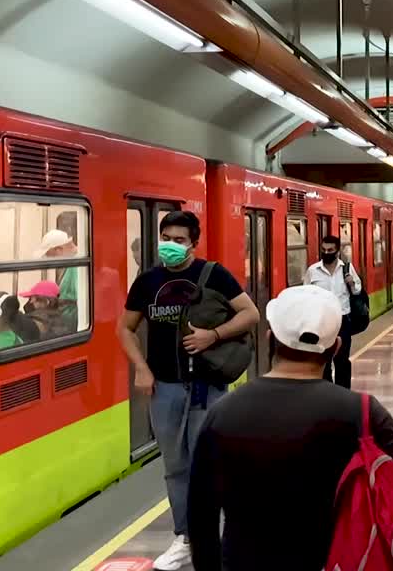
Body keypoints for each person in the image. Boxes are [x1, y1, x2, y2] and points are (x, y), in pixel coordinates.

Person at [187, 285, 393, 571]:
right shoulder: (363, 413)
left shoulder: (223, 413)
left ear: (270, 339)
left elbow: (200, 516)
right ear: (336, 347)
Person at [117, 210, 260, 571]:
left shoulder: (213, 275)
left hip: (207, 386)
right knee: (175, 465)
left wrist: (214, 335)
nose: (171, 246)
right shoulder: (148, 281)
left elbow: (250, 314)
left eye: (180, 240)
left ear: (194, 243)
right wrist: (142, 368)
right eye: (166, 238)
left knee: (208, 463)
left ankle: (218, 537)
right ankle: (185, 537)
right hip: (163, 388)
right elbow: (124, 328)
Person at [305, 235, 362, 388]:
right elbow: (306, 295)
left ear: (337, 251)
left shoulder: (347, 269)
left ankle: (343, 394)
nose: (326, 252)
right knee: (323, 360)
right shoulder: (312, 271)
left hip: (342, 320)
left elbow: (357, 291)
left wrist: (352, 283)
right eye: (324, 250)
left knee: (342, 360)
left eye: (330, 250)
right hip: (320, 322)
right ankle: (327, 392)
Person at [37, 229, 80, 329]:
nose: (50, 261)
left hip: (73, 326)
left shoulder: (78, 265)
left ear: (58, 250)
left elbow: (82, 301)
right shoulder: (72, 263)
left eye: (49, 256)